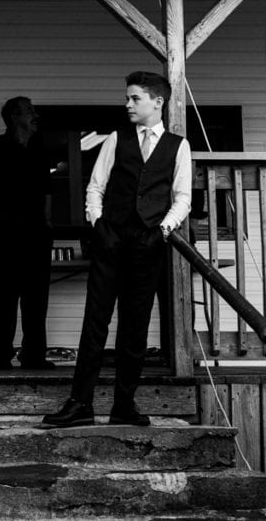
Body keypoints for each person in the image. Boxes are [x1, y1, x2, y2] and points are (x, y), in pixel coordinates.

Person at [43, 71, 191, 428]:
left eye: (134, 98)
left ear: (158, 102)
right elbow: (96, 187)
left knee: (135, 326)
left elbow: (183, 197)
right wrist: (98, 223)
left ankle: (124, 404)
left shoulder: (178, 146)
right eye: (127, 98)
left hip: (148, 243)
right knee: (96, 321)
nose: (127, 104)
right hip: (111, 239)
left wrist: (162, 230)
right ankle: (81, 403)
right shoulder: (116, 139)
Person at [0, 96, 54, 370]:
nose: (34, 116)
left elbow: (47, 191)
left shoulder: (40, 148)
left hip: (36, 233)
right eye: (29, 111)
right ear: (14, 117)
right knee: (6, 295)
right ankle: (1, 358)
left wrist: (47, 224)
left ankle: (34, 356)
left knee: (37, 297)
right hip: (4, 231)